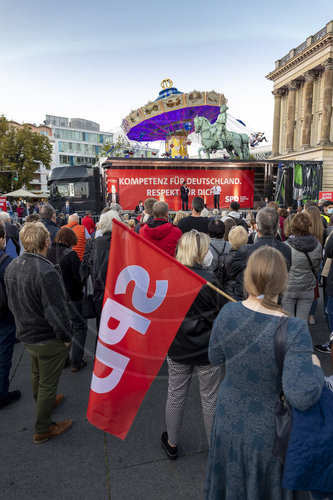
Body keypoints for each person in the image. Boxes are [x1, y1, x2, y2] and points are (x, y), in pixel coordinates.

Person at [204, 246, 324, 499]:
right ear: (282, 280)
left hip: (228, 421)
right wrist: (314, 363)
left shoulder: (228, 313)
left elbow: (214, 357)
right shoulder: (294, 329)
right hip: (270, 432)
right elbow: (303, 394)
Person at [5, 222, 72, 443]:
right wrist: (65, 337)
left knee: (36, 374)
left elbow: (12, 302)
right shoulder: (46, 270)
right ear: (46, 242)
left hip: (27, 333)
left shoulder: (13, 265)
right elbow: (57, 311)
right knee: (47, 382)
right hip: (46, 336)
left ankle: (47, 402)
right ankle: (43, 427)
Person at [161, 230, 226, 460]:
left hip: (178, 346)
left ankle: (172, 442)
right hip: (207, 348)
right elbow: (220, 314)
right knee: (210, 398)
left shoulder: (169, 276)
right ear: (200, 251)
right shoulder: (211, 281)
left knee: (175, 394)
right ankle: (214, 448)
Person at [48, 228, 87, 372]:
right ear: (70, 241)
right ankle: (76, 362)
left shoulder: (47, 252)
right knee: (79, 328)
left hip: (54, 298)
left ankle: (63, 360)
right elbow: (79, 278)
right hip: (73, 297)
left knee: (61, 329)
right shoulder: (71, 255)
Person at [232, 207, 292, 301]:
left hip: (250, 301)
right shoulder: (286, 250)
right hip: (271, 302)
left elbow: (232, 272)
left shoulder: (245, 251)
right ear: (277, 227)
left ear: (256, 227)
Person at [283, 212, 322, 322]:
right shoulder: (317, 245)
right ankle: (300, 339)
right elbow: (317, 267)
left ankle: (290, 339)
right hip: (307, 287)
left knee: (288, 322)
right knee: (302, 323)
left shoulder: (286, 245)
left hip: (289, 287)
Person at [0, 223, 21, 410]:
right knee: (4, 353)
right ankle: (2, 394)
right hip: (4, 314)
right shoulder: (5, 261)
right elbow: (13, 291)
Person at [91, 210, 121, 325]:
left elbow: (93, 267)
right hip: (119, 294)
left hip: (101, 293)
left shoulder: (97, 243)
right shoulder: (123, 241)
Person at [305, 205, 325, 325]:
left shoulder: (304, 228)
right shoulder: (323, 230)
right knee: (314, 288)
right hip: (317, 262)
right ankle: (311, 315)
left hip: (303, 260)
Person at [217, 225, 249, 298]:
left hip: (228, 296)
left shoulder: (223, 259)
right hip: (246, 296)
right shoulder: (251, 258)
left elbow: (219, 280)